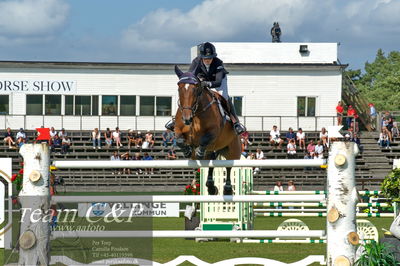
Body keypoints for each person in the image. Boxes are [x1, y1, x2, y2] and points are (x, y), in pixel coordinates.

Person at [165, 42, 246, 135]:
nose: (208, 60)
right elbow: (191, 76)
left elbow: (218, 81)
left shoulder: (218, 63)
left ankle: (235, 122)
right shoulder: (196, 61)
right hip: (202, 79)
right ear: (201, 57)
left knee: (225, 97)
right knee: (188, 95)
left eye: (210, 58)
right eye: (205, 58)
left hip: (218, 81)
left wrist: (207, 83)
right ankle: (176, 120)